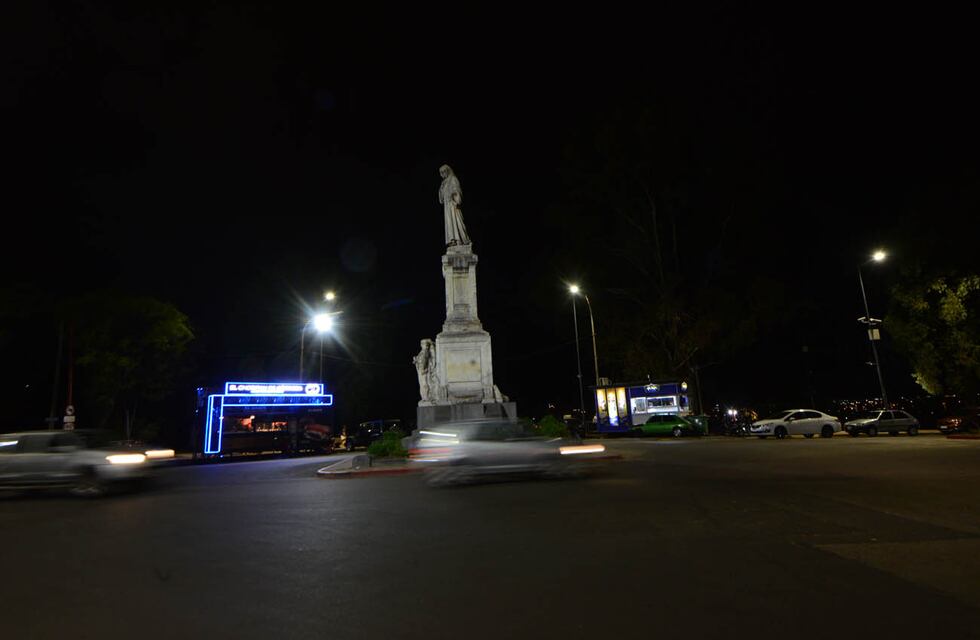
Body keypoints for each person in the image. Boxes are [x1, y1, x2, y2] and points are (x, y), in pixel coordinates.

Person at [438, 164, 470, 246]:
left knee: (457, 221)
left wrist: (454, 194)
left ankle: (461, 239)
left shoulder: (453, 179)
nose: (443, 174)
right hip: (447, 206)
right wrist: (441, 190)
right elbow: (441, 198)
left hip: (453, 204)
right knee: (449, 223)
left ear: (447, 171)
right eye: (441, 173)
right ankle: (452, 240)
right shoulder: (444, 183)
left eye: (444, 172)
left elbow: (457, 190)